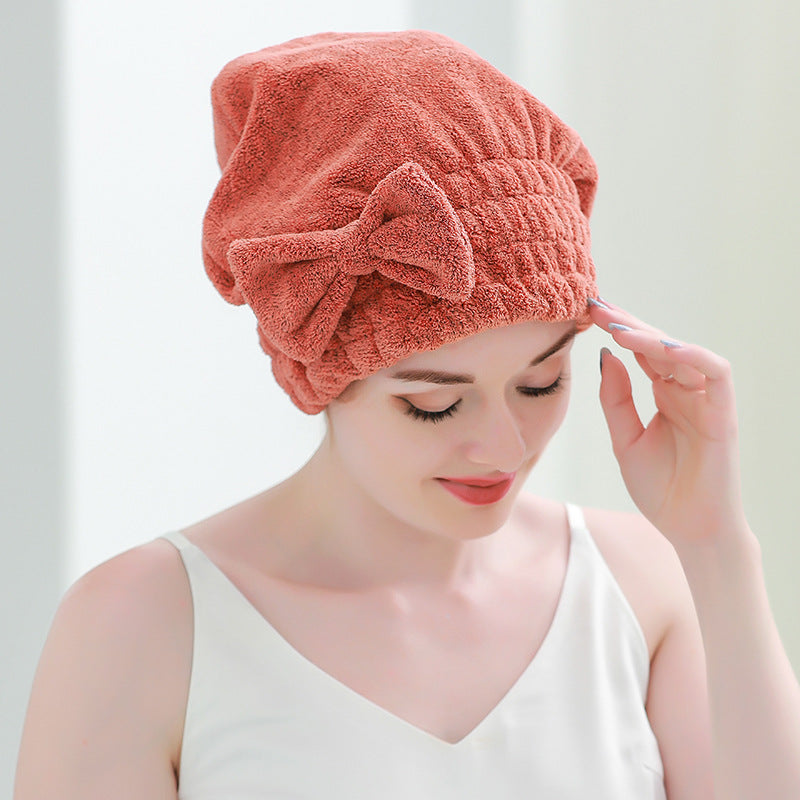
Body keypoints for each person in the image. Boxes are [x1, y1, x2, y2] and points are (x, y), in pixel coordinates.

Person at [13, 29, 800, 800]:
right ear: (322, 374)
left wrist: (716, 547)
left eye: (540, 383)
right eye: (435, 404)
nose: (504, 446)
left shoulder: (642, 582)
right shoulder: (144, 623)